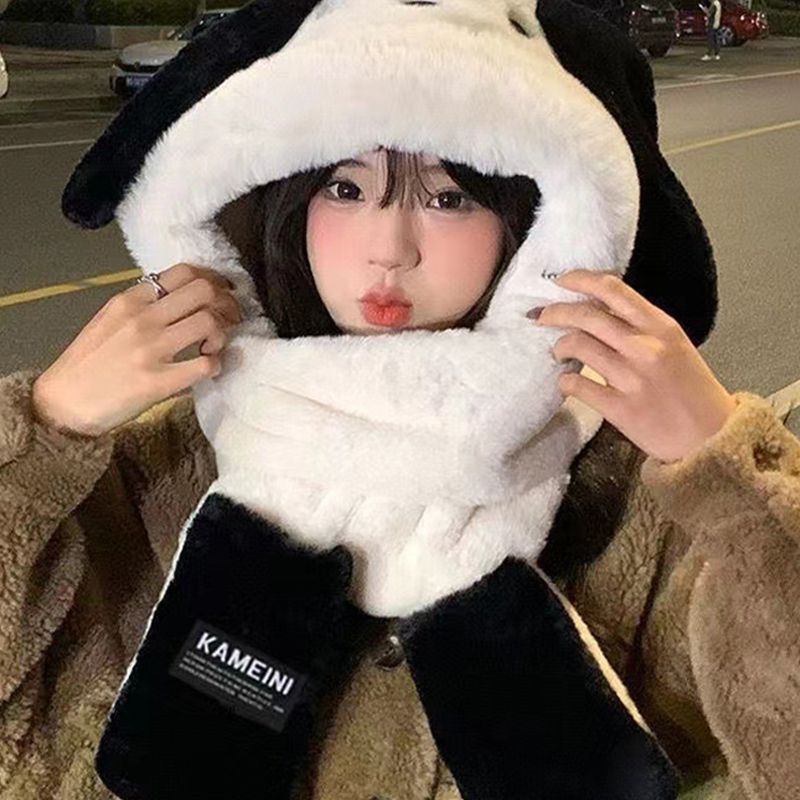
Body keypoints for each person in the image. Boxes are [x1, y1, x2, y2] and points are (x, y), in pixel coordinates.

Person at [3, 2, 800, 800]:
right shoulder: (165, 465)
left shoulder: (633, 487)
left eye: (450, 199)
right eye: (346, 186)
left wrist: (732, 479)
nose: (388, 249)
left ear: (540, 224)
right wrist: (43, 436)